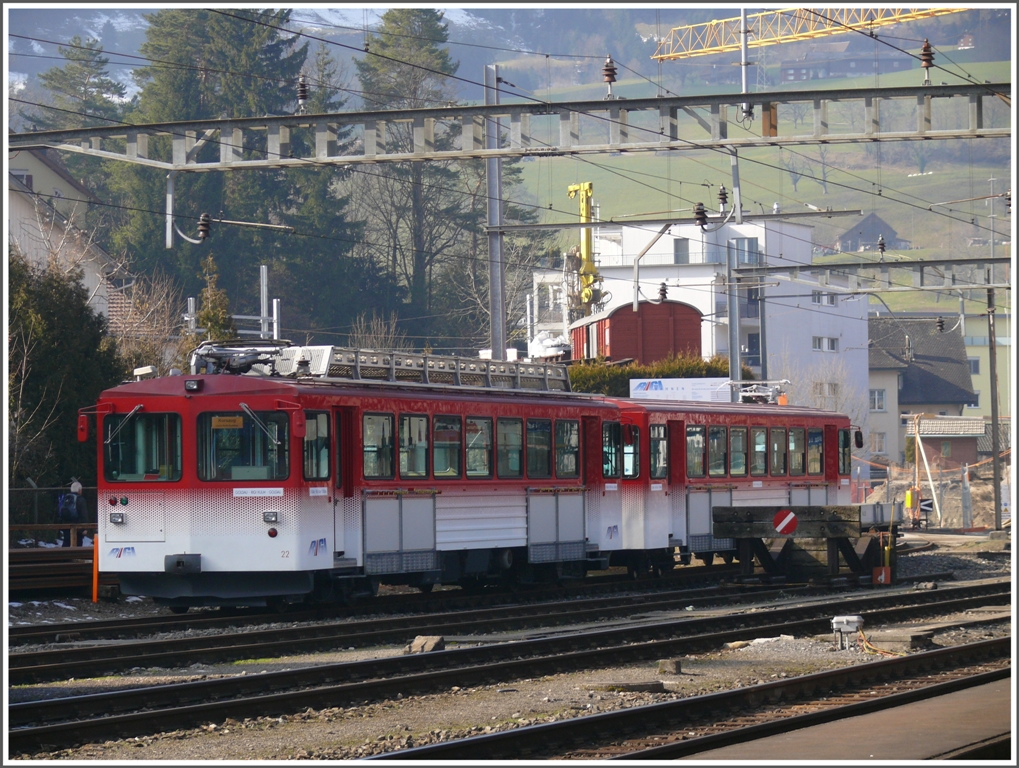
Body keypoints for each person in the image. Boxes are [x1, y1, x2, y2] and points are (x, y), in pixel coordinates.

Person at [58, 481, 88, 547]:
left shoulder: (66, 498)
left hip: (66, 526)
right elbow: (84, 514)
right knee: (78, 544)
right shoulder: (81, 499)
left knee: (66, 543)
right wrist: (84, 528)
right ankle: (76, 557)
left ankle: (64, 557)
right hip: (78, 527)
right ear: (79, 490)